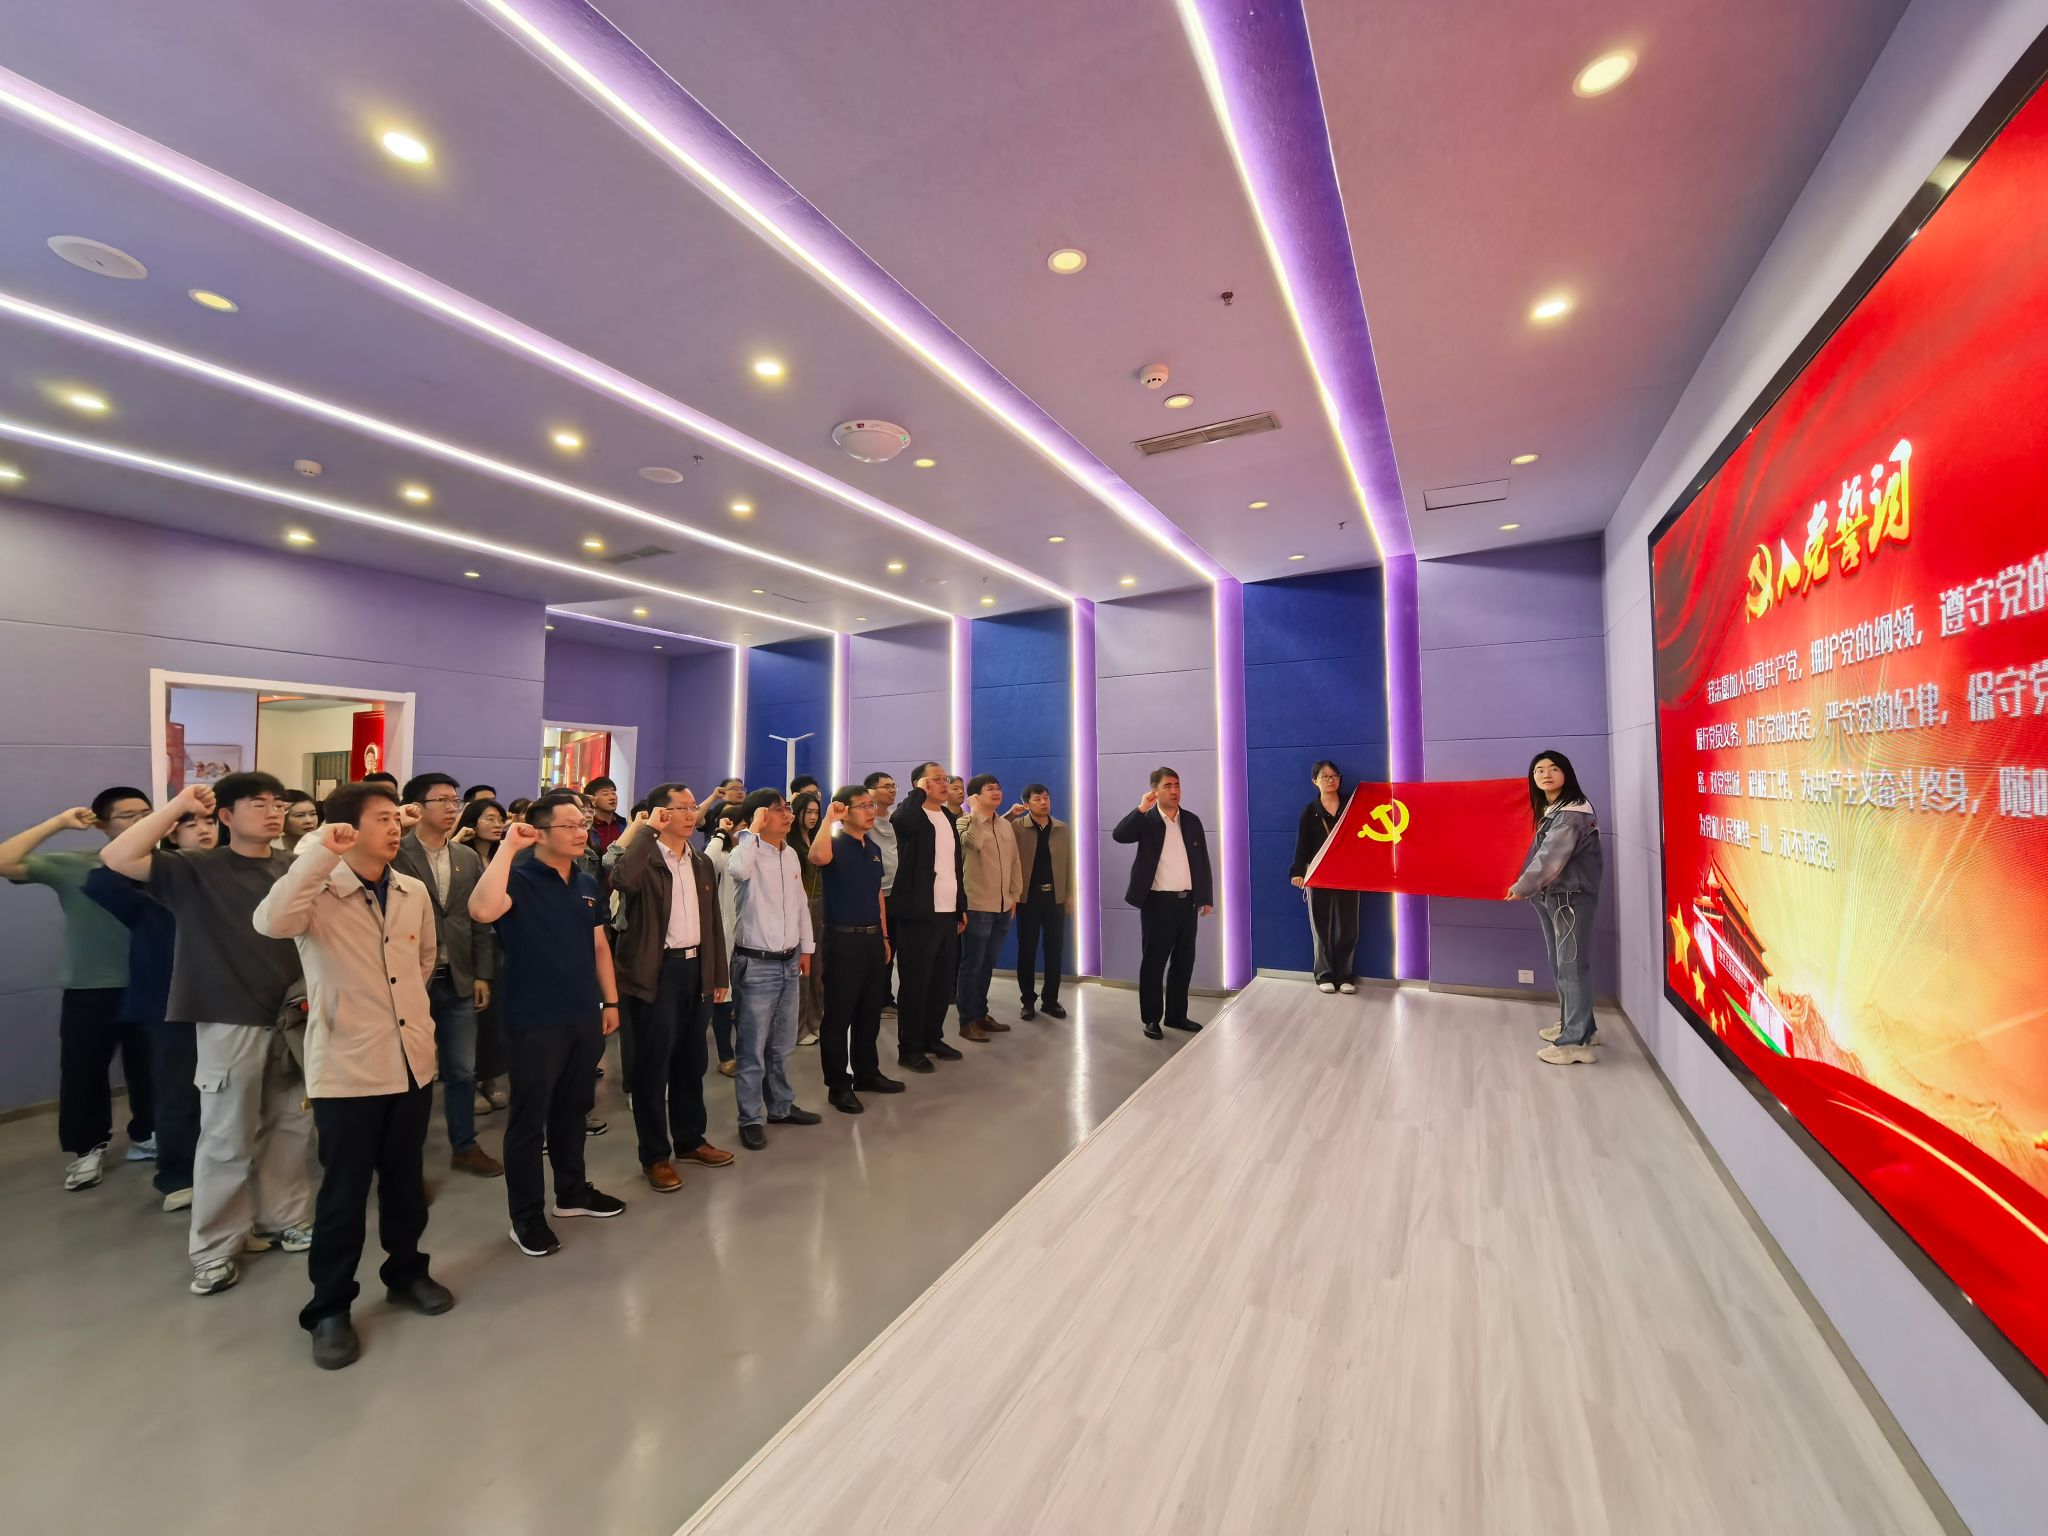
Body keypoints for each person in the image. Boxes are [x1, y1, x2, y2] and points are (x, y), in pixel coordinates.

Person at [253, 781, 453, 1369]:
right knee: (343, 1193)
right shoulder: (317, 887)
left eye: (396, 817)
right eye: (382, 819)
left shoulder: (412, 889)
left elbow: (422, 962)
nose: (395, 827)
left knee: (405, 1182)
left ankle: (406, 1272)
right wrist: (320, 850)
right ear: (345, 828)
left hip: (410, 1059)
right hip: (347, 1064)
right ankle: (330, 1307)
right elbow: (271, 922)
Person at [101, 773, 310, 1296]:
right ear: (226, 816)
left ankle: (283, 1218)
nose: (273, 812)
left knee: (290, 1127)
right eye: (258, 804)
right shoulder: (195, 868)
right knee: (226, 1136)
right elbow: (118, 856)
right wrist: (178, 805)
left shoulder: (295, 866)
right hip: (228, 1016)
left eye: (278, 804)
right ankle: (216, 1247)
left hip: (295, 1018)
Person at [467, 794, 627, 1258]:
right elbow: (481, 910)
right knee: (528, 1120)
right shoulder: (517, 878)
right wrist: (507, 847)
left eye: (583, 824)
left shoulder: (585, 881)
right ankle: (526, 1217)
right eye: (570, 825)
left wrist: (610, 1000)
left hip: (582, 1013)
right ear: (540, 832)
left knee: (572, 1110)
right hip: (534, 1019)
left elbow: (599, 945)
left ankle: (572, 1193)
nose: (581, 832)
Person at [3, 790, 158, 1191]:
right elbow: (4, 861)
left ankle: (148, 1135)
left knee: (152, 1068)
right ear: (102, 825)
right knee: (83, 1071)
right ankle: (88, 1148)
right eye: (128, 816)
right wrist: (58, 823)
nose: (141, 822)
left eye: (147, 813)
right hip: (91, 986)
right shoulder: (76, 865)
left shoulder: (169, 866)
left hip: (154, 984)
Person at [85, 805, 217, 1211]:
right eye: (190, 824)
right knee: (179, 1089)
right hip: (168, 1001)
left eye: (210, 821)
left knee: (233, 1091)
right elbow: (103, 876)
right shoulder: (144, 881)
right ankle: (178, 1174)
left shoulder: (229, 872)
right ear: (171, 834)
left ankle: (225, 1169)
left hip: (227, 996)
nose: (203, 830)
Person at [608, 785, 734, 1190]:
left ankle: (690, 1140)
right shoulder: (645, 858)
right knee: (651, 1067)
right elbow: (620, 879)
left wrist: (718, 975)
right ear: (660, 813)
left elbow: (712, 921)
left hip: (695, 969)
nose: (690, 814)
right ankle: (654, 1155)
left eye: (693, 807)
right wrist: (647, 830)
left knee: (691, 1061)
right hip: (655, 971)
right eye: (681, 807)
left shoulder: (699, 860)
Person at [395, 773, 500, 1177]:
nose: (452, 807)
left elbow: (479, 919)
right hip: (409, 980)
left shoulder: (466, 857)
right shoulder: (396, 852)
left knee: (461, 1069)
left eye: (454, 800)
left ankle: (465, 1145)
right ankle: (406, 1161)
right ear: (416, 807)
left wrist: (482, 973)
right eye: (441, 800)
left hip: (458, 978)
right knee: (410, 1075)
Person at [725, 790, 820, 1148]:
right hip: (756, 963)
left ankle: (780, 1105)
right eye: (779, 810)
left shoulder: (790, 853)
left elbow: (800, 906)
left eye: (787, 809)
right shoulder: (746, 850)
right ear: (761, 816)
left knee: (781, 1045)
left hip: (789, 960)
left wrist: (806, 949)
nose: (788, 815)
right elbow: (737, 870)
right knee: (752, 1049)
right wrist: (752, 830)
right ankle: (750, 1117)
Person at [1507, 749, 1605, 1066]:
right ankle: (1578, 1027)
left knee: (1571, 967)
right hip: (1558, 896)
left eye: (1553, 768)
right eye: (1539, 770)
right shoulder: (1556, 809)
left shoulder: (1571, 814)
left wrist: (1522, 886)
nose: (1546, 774)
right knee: (1564, 965)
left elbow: (1551, 857)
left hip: (1570, 898)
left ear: (1566, 773)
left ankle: (1575, 1043)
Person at [808, 785, 900, 1114]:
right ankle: (838, 1085)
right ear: (844, 810)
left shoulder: (872, 847)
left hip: (872, 939)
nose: (870, 811)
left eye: (871, 805)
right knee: (839, 1015)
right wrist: (828, 820)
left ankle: (867, 1073)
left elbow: (877, 895)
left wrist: (885, 937)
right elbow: (816, 858)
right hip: (842, 939)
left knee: (869, 1012)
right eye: (862, 806)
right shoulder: (834, 842)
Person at [1112, 767, 1213, 1041]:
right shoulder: (1146, 820)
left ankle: (1177, 1015)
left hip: (1187, 903)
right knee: (1154, 963)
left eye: (1177, 785)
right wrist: (1141, 808)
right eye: (1167, 786)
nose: (1174, 790)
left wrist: (1205, 897)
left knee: (1184, 962)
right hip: (1157, 903)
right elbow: (1119, 835)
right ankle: (1151, 1019)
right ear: (1155, 791)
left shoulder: (1191, 820)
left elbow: (1202, 861)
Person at [889, 761, 966, 1072]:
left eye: (945, 778)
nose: (944, 783)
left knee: (941, 982)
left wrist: (961, 906)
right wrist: (917, 793)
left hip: (948, 912)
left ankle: (933, 1038)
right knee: (915, 983)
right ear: (920, 784)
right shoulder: (911, 814)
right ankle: (909, 1048)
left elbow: (955, 867)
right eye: (936, 779)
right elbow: (901, 822)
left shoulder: (948, 817)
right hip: (919, 912)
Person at [955, 774, 1022, 1041]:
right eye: (989, 789)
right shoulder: (964, 822)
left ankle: (981, 1014)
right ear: (975, 796)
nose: (996, 792)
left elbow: (1014, 862)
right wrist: (975, 814)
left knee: (988, 964)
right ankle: (967, 1021)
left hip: (1004, 905)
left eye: (998, 787)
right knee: (972, 964)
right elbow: (973, 844)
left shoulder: (1005, 824)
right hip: (977, 905)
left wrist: (1014, 895)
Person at [455, 797, 510, 1108]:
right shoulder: (460, 856)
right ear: (472, 823)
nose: (497, 824)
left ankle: (490, 1076)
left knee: (494, 1018)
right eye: (489, 818)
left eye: (500, 819)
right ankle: (471, 1081)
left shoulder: (505, 856)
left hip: (501, 944)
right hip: (469, 944)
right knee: (472, 1017)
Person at [1289, 760, 1359, 995]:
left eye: (1334, 776)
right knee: (1321, 926)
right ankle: (1324, 975)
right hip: (1318, 873)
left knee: (1348, 926)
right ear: (1315, 781)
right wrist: (1298, 871)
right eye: (1325, 777)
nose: (1331, 780)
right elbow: (1302, 845)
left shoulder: (1351, 806)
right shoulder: (1309, 811)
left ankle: (1345, 976)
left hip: (1348, 873)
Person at [1005, 783, 1072, 1021]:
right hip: (1028, 898)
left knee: (1054, 950)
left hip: (1055, 897)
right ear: (1026, 804)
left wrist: (1070, 894)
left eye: (1046, 798)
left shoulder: (1062, 828)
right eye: (1037, 799)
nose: (1044, 802)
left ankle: (1051, 1001)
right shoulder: (1016, 827)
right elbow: (995, 828)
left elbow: (1070, 863)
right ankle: (1027, 1001)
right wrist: (1011, 813)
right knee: (1027, 951)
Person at [704, 799, 747, 1076]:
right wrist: (721, 833)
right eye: (741, 827)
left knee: (746, 1003)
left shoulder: (757, 855)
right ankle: (726, 1055)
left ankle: (746, 1053)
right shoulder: (722, 856)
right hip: (725, 935)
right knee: (724, 999)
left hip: (750, 936)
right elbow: (706, 862)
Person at [862, 771, 900, 1010]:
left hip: (898, 893)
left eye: (894, 785)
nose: (892, 790)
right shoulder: (865, 820)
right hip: (874, 894)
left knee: (892, 949)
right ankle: (874, 999)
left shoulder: (898, 819)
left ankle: (886, 997)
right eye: (886, 786)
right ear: (871, 792)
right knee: (877, 950)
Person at [791, 791, 825, 1046]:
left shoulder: (817, 838)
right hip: (800, 908)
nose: (813, 817)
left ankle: (815, 1021)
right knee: (802, 970)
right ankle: (799, 1026)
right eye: (808, 812)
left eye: (816, 812)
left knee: (818, 970)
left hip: (821, 907)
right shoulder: (791, 844)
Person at [584, 777, 626, 858]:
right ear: (592, 799)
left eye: (613, 793)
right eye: (605, 794)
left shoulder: (624, 825)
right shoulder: (586, 827)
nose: (612, 797)